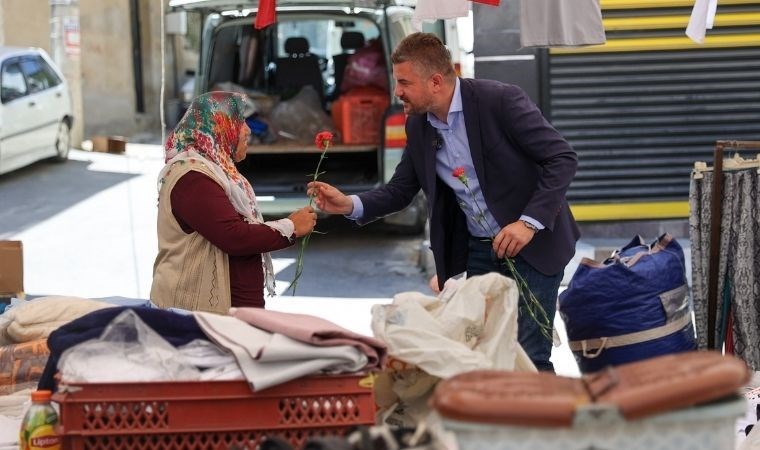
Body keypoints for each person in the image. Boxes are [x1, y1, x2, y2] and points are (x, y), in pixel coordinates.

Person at [308, 33, 580, 371]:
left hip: (534, 245)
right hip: (480, 250)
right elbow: (401, 190)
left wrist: (528, 223)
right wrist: (349, 204)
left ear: (435, 81)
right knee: (481, 354)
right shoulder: (418, 125)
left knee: (528, 357)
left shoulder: (501, 100)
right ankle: (492, 421)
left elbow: (562, 158)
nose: (397, 92)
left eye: (404, 82)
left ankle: (544, 421)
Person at [151, 91, 316, 313]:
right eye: (240, 122)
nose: (248, 130)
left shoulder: (217, 171)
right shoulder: (192, 178)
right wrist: (290, 227)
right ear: (218, 128)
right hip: (196, 313)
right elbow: (233, 236)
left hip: (228, 314)